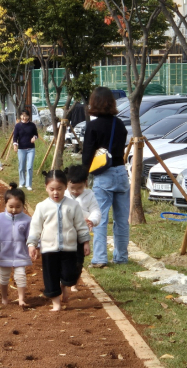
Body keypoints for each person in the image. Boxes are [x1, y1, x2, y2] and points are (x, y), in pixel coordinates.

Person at [27, 170, 90, 311]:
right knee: (51, 276)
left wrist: (85, 242)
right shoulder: (42, 207)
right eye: (52, 189)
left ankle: (64, 286)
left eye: (59, 189)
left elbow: (80, 225)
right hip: (49, 249)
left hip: (69, 248)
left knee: (69, 274)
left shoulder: (73, 205)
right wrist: (32, 244)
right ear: (46, 188)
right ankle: (56, 304)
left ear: (65, 188)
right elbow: (35, 227)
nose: (56, 193)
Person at [82, 86, 129, 268]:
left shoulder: (93, 126)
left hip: (104, 175)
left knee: (100, 217)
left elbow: (87, 154)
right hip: (121, 172)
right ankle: (121, 257)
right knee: (121, 219)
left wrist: (84, 175)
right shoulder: (119, 124)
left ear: (94, 103)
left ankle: (100, 258)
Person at [0, 183, 31, 306]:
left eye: (18, 207)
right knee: (4, 277)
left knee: (21, 276)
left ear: (23, 206)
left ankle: (21, 299)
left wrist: (35, 246)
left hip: (20, 254)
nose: (14, 210)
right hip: (4, 254)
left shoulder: (27, 220)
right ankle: (4, 298)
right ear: (5, 204)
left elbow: (32, 236)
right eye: (11, 207)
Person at [64, 165, 101, 291]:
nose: (75, 191)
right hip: (65, 233)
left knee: (78, 260)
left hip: (81, 233)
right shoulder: (63, 195)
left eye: (79, 188)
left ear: (85, 183)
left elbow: (96, 210)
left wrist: (92, 220)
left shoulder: (89, 195)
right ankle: (63, 279)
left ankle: (75, 282)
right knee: (65, 258)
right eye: (72, 188)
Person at [12, 109, 39, 191]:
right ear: (20, 116)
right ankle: (22, 182)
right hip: (21, 149)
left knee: (29, 167)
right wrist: (15, 145)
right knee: (21, 167)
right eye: (23, 116)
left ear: (28, 116)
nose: (24, 117)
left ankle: (28, 184)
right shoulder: (18, 126)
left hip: (31, 148)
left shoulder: (32, 125)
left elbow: (36, 134)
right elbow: (15, 137)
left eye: (26, 116)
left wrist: (34, 137)